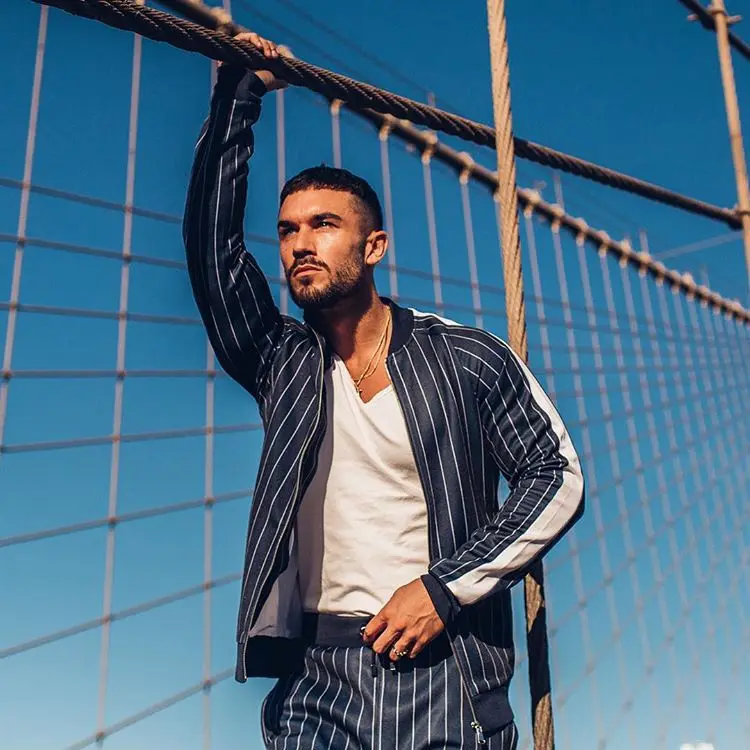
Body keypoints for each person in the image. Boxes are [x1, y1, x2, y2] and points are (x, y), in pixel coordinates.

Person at [183, 32, 584, 750]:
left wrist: (445, 588)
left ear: (374, 247)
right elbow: (213, 255)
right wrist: (237, 98)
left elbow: (556, 476)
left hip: (447, 670)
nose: (300, 244)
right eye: (288, 230)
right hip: (315, 682)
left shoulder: (466, 357)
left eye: (324, 225)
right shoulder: (281, 362)